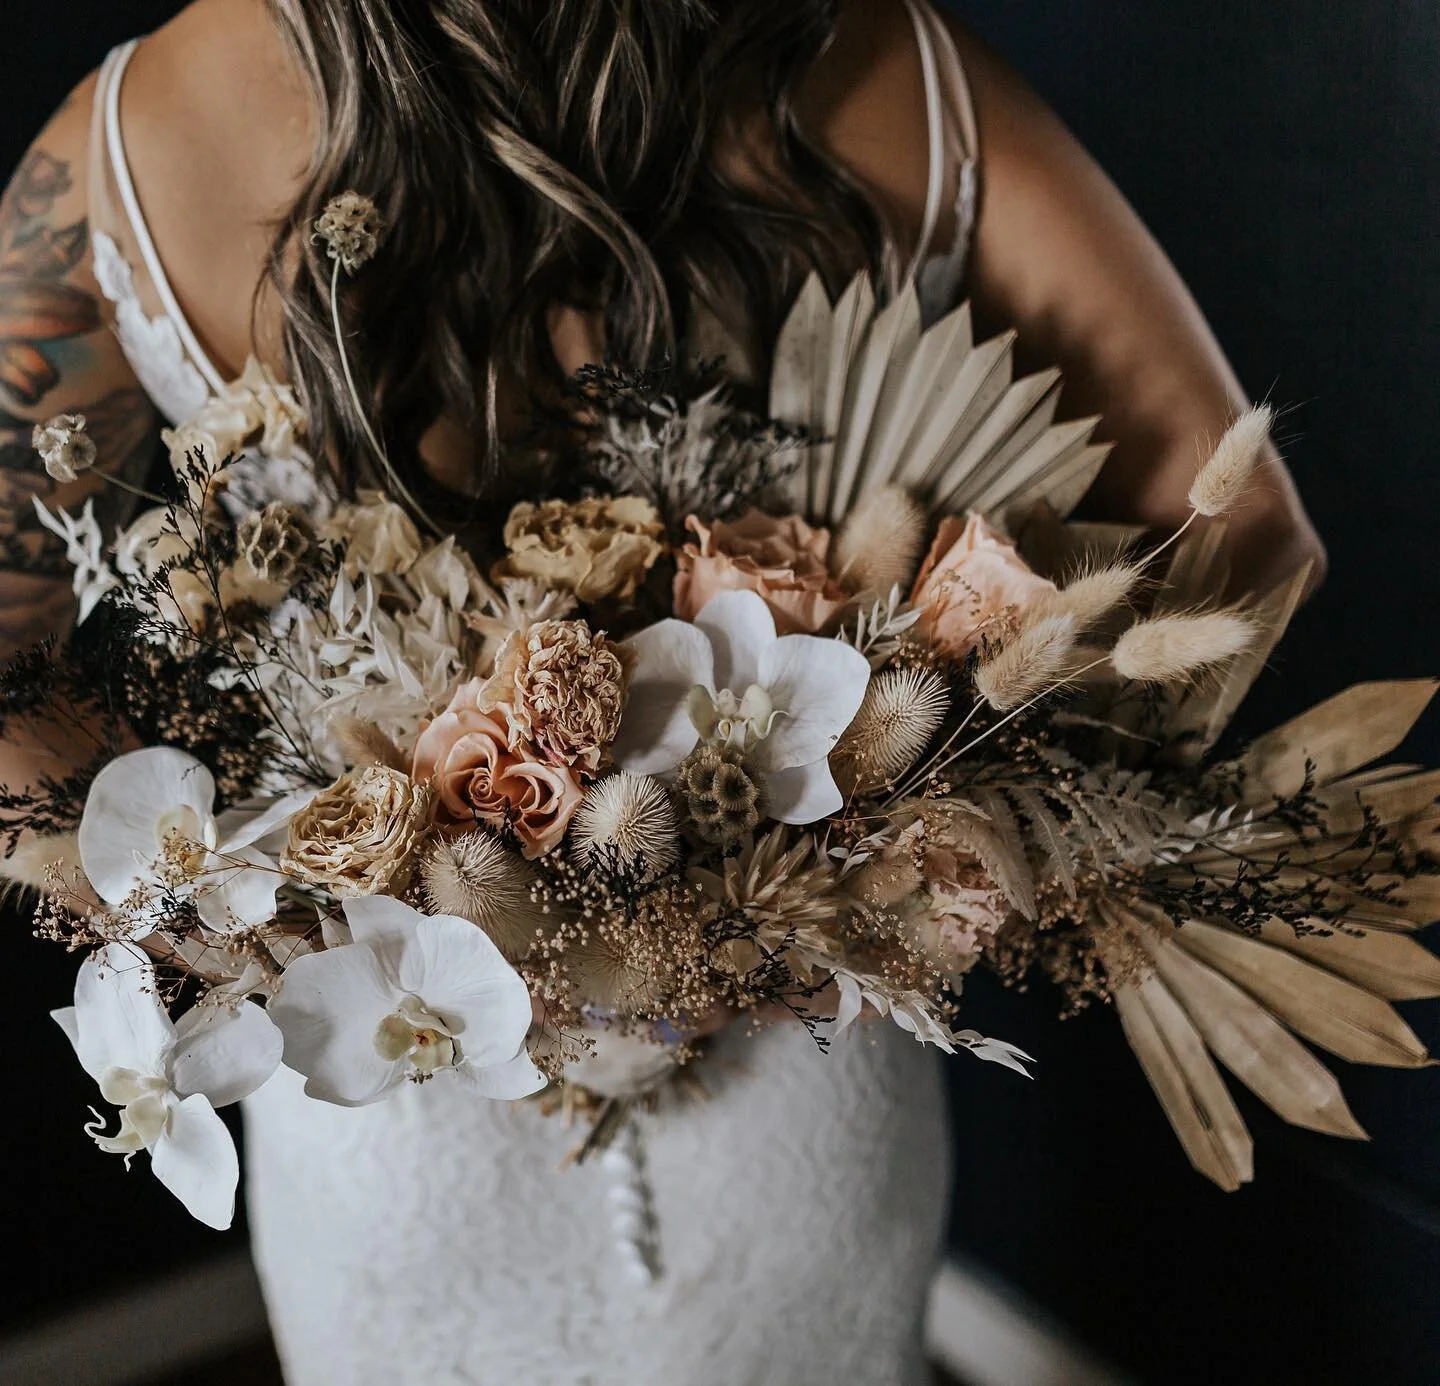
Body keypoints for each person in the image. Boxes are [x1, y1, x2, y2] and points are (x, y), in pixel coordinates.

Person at [1, 1, 1325, 1381]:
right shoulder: (882, 66)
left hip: (386, 1062)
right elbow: (1243, 538)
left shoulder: (150, 123)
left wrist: (241, 917)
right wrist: (877, 880)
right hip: (794, 1066)